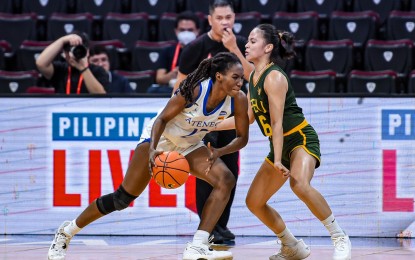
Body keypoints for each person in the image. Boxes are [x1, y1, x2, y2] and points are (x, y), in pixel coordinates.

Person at [47, 52, 249, 260]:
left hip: (189, 144)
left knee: (226, 179)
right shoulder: (195, 89)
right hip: (159, 140)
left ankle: (197, 245)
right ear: (219, 76)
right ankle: (67, 231)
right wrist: (152, 148)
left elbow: (242, 138)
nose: (240, 82)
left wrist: (221, 151)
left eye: (242, 78)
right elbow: (161, 119)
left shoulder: (239, 99)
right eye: (235, 77)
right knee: (122, 199)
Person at [216, 24, 352, 260]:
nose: (246, 45)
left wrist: (278, 160)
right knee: (254, 202)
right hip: (280, 145)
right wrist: (207, 124)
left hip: (300, 138)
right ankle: (291, 245)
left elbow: (277, 124)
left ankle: (339, 237)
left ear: (268, 47)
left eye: (251, 41)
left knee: (299, 184)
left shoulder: (275, 76)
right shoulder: (255, 78)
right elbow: (246, 119)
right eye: (247, 41)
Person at [173, 0, 253, 243]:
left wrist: (234, 49)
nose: (225, 22)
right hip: (202, 119)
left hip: (231, 117)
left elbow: (256, 78)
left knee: (232, 170)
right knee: (207, 171)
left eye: (228, 17)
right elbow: (180, 86)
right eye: (219, 18)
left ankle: (222, 225)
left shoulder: (241, 45)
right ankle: (207, 227)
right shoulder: (196, 47)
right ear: (209, 20)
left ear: (235, 17)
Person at [36, 31, 108, 94]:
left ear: (87, 52)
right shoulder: (60, 69)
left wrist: (83, 68)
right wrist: (63, 40)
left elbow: (100, 96)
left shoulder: (98, 71)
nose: (74, 54)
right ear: (64, 53)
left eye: (79, 49)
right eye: (70, 50)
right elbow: (40, 63)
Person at [149, 11, 200, 94]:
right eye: (182, 30)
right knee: (153, 90)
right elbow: (159, 79)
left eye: (190, 30)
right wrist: (173, 74)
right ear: (176, 31)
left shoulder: (204, 50)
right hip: (173, 89)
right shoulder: (167, 51)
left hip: (196, 89)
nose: (186, 33)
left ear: (197, 31)